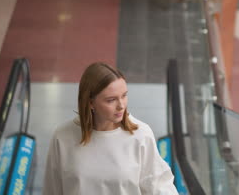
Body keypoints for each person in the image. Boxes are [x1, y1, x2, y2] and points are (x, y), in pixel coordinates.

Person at [42, 62, 178, 195]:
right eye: (111, 100)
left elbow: (159, 186)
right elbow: (52, 189)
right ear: (90, 103)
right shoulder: (62, 136)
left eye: (124, 95)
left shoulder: (141, 134)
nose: (121, 106)